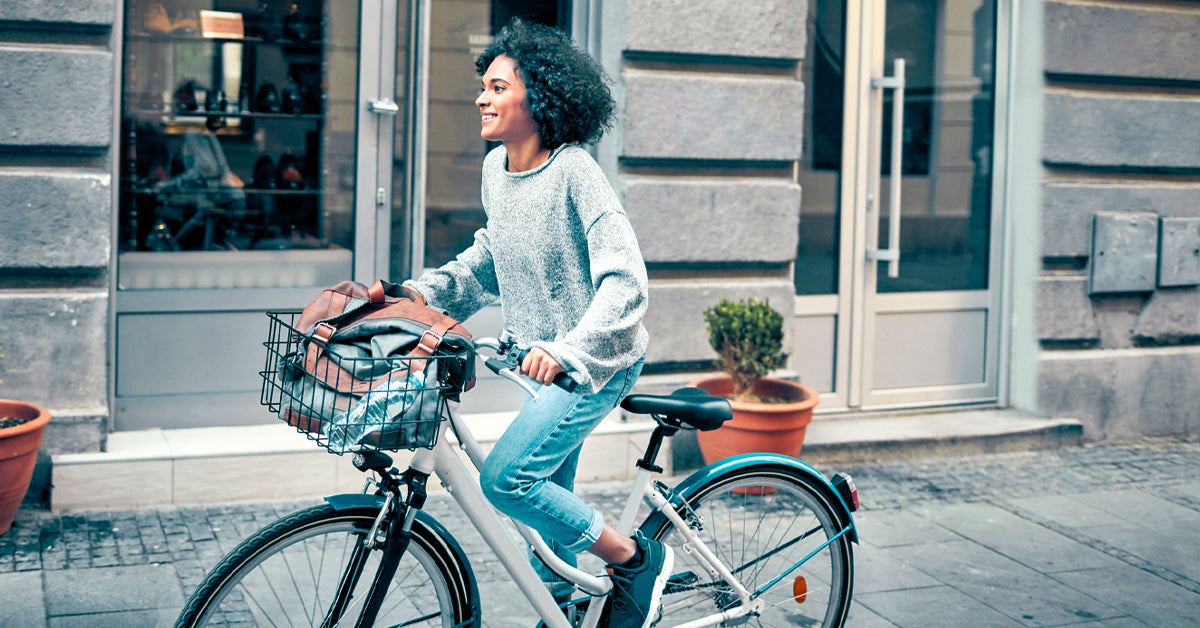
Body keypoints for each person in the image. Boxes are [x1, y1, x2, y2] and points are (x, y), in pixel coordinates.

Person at [404, 17, 670, 628]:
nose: (482, 97)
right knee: (544, 529)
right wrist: (416, 292)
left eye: (498, 87)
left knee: (506, 480)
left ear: (539, 98)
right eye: (485, 86)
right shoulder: (498, 171)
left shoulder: (577, 173)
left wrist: (571, 352)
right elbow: (491, 261)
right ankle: (570, 618)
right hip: (542, 367)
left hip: (594, 364)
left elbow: (625, 282)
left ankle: (634, 560)